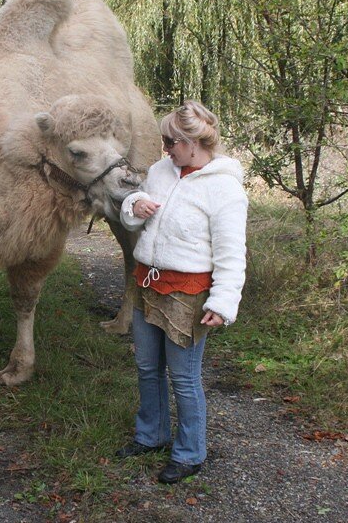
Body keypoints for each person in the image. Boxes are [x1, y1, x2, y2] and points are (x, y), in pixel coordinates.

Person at [115, 100, 248, 484]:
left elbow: (231, 253)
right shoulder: (161, 171)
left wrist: (223, 302)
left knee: (184, 378)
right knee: (146, 367)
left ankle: (190, 453)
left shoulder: (224, 189)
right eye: (164, 141)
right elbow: (133, 207)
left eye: (171, 141)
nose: (165, 149)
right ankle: (151, 435)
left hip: (188, 293)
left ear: (193, 142)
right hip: (147, 282)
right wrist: (133, 205)